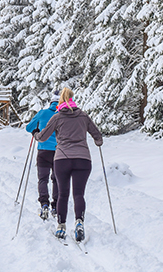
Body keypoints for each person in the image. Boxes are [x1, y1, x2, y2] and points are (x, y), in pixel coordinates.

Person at [34, 87, 103, 243]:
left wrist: (35, 134)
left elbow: (43, 136)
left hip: (62, 159)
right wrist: (98, 142)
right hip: (83, 159)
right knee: (78, 194)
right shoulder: (83, 116)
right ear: (72, 99)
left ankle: (61, 226)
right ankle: (79, 222)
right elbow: (97, 136)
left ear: (60, 102)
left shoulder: (57, 117)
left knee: (63, 194)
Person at [25, 91, 60, 220]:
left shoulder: (43, 113)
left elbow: (29, 127)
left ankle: (44, 204)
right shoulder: (63, 115)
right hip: (59, 152)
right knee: (57, 180)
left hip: (43, 151)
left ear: (51, 102)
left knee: (43, 179)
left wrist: (36, 131)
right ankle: (56, 206)